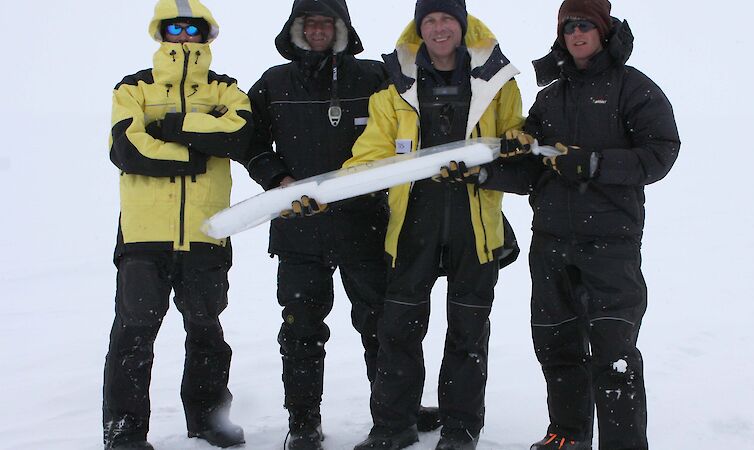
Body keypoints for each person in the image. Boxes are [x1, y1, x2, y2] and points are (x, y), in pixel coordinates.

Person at [481, 0, 680, 448]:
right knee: (557, 347)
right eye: (568, 26)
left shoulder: (633, 88)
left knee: (614, 354)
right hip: (551, 242)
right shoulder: (551, 97)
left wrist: (594, 163)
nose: (576, 33)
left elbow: (661, 152)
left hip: (610, 245)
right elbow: (532, 169)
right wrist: (486, 171)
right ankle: (567, 435)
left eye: (585, 24)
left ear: (603, 31)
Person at [245, 1, 440, 448]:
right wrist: (278, 178)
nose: (317, 31)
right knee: (300, 329)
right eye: (308, 23)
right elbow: (250, 141)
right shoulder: (274, 83)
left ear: (341, 28)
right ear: (296, 29)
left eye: (325, 23)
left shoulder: (372, 76)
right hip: (299, 229)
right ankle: (303, 422)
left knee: (382, 325)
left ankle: (397, 413)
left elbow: (412, 114)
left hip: (364, 225)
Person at [343, 1, 527, 449]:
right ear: (419, 29)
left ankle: (461, 429)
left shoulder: (499, 84)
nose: (439, 28)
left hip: (476, 227)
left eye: (447, 19)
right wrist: (329, 190)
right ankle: (394, 426)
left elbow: (517, 147)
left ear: (462, 27)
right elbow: (369, 155)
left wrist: (511, 150)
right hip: (412, 227)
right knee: (398, 330)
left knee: (468, 332)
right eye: (430, 21)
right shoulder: (395, 90)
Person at [102, 0, 254, 448]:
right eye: (175, 27)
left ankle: (208, 419)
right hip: (144, 236)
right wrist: (194, 150)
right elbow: (127, 149)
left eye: (193, 27)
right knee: (133, 335)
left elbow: (240, 135)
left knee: (207, 330)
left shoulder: (227, 88)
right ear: (161, 33)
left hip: (207, 232)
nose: (184, 34)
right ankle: (125, 431)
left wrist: (168, 126)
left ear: (207, 34)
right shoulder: (133, 88)